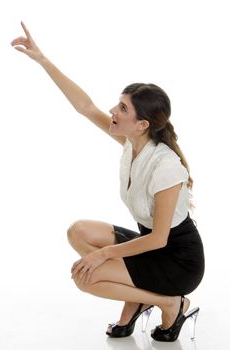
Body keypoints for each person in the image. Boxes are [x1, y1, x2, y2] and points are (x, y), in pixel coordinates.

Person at [11, 22, 205, 342]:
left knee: (85, 278)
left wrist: (103, 256)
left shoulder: (166, 167)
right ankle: (137, 295)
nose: (113, 111)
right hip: (151, 249)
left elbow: (158, 239)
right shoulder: (133, 144)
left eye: (122, 108)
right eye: (118, 103)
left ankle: (171, 303)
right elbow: (85, 107)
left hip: (176, 261)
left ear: (142, 124)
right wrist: (42, 59)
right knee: (78, 231)